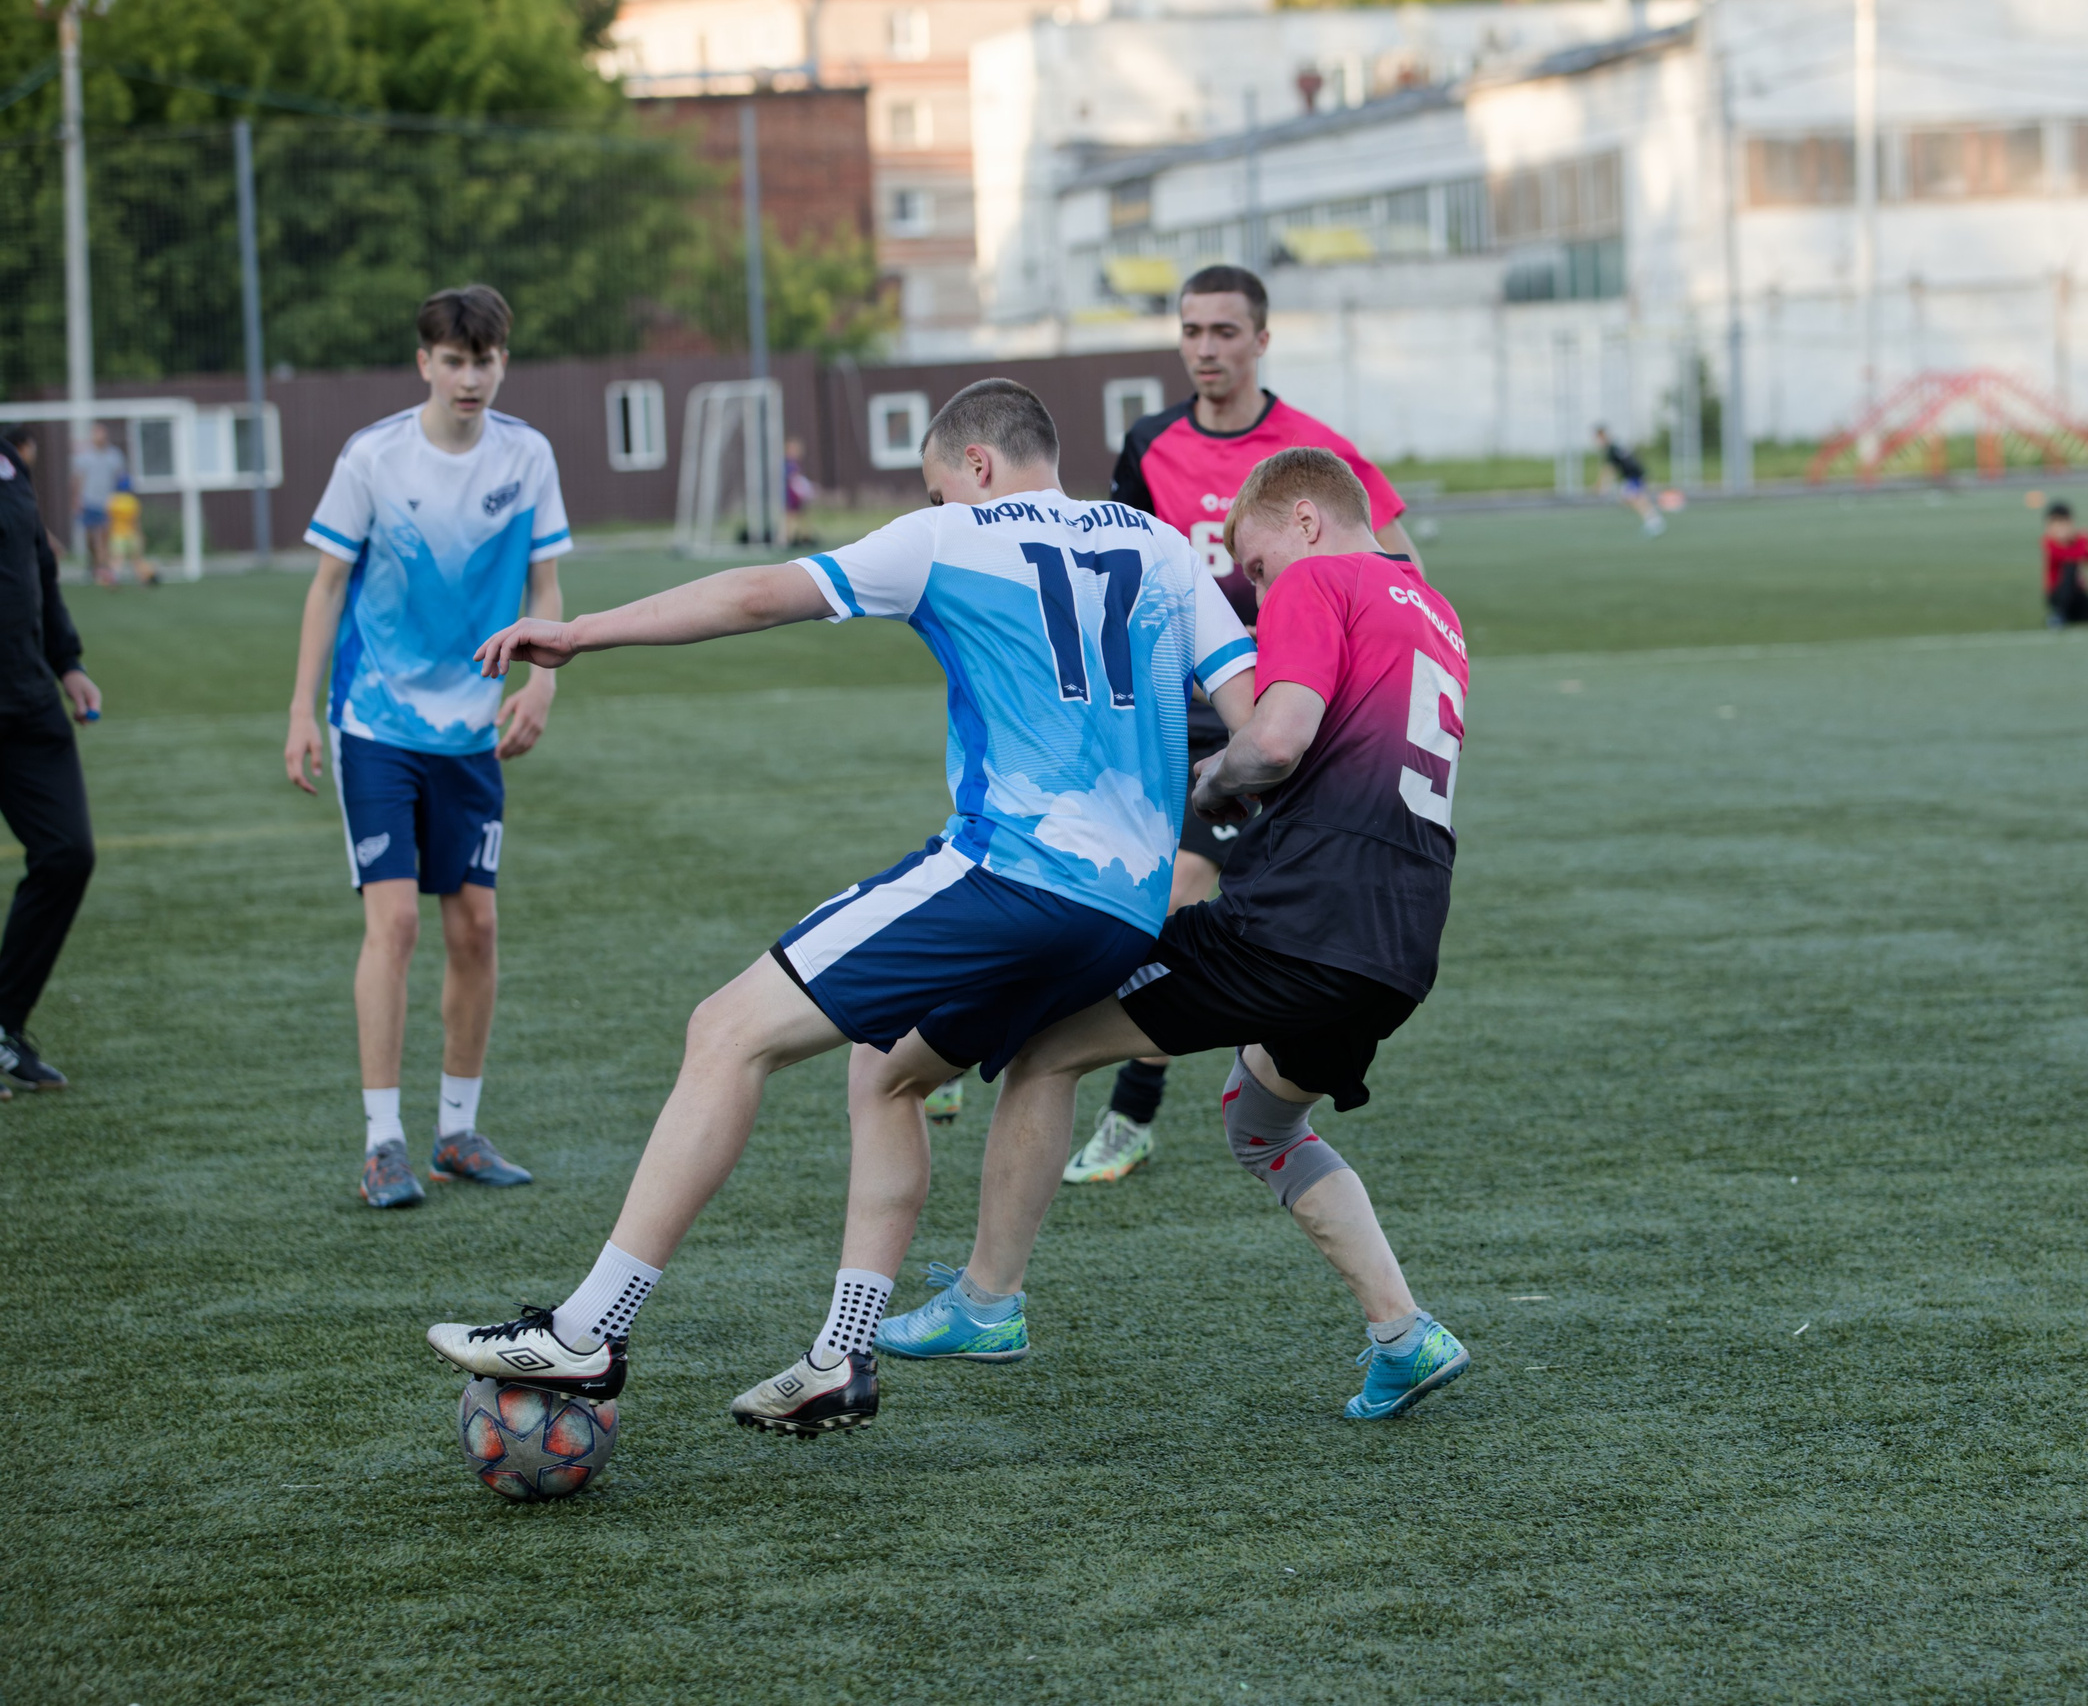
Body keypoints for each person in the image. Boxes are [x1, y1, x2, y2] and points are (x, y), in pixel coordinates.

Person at [427, 379, 1256, 1436]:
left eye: (933, 485)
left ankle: (589, 1329)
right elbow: (1256, 726)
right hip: (1129, 905)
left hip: (1016, 871)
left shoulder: (950, 536)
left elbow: (754, 595)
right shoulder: (1164, 548)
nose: (933, 500)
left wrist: (582, 631)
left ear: (978, 467)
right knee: (890, 1071)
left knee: (725, 1030)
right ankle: (841, 1356)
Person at [876, 446, 1471, 1420]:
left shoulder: (1319, 576)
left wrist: (1204, 783)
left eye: (1259, 565)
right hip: (1399, 941)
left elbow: (1277, 739)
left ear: (1307, 521)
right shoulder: (1434, 609)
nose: (1260, 589)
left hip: (1296, 924)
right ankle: (1403, 1337)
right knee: (1261, 1121)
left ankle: (987, 1302)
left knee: (1044, 1049)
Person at [1069, 263, 1422, 1186]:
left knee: (1185, 879)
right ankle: (962, 1025)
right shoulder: (1149, 445)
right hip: (1165, 710)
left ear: (1261, 340)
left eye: (1225, 331)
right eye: (1192, 331)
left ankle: (1129, 1112)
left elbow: (1400, 570)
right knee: (1106, 870)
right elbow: (1127, 567)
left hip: (1268, 718)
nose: (1207, 349)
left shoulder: (1313, 450)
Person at [284, 285, 570, 1208]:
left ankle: (457, 1132)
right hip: (375, 722)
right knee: (397, 923)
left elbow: (546, 580)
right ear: (425, 364)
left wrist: (543, 679)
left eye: (485, 360)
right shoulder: (373, 456)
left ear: (501, 364)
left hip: (471, 730)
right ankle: (382, 1144)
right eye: (454, 360)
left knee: (476, 927)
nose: (470, 377)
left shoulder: (528, 455)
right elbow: (327, 586)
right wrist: (300, 710)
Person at [0, 423, 102, 1094]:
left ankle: (4, 1026)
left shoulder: (9, 465)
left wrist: (67, 661)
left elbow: (39, 567)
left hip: (25, 699)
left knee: (68, 852)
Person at [70, 423, 125, 584]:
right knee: (90, 537)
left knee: (104, 535)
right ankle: (93, 563)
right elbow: (77, 478)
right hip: (89, 500)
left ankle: (103, 567)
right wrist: (76, 499)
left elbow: (119, 478)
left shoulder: (115, 455)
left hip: (109, 502)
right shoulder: (84, 456)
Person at [1594, 426, 1666, 537]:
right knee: (1631, 498)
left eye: (1598, 438)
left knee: (1632, 497)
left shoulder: (1611, 449)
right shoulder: (1615, 446)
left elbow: (1610, 469)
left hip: (1633, 475)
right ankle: (1652, 517)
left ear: (1602, 436)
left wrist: (1603, 486)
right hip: (1633, 475)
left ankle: (1653, 520)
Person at [105, 483, 155, 588]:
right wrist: (140, 534)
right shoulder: (132, 501)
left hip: (116, 534)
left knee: (117, 559)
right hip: (131, 534)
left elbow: (109, 520)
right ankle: (143, 580)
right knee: (137, 559)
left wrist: (107, 534)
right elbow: (135, 521)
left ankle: (114, 579)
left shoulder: (113, 500)